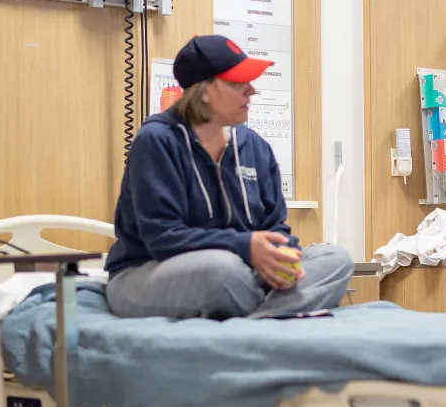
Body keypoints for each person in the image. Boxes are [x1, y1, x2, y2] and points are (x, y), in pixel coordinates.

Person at [104, 34, 353, 320]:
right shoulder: (157, 141)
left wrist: (284, 257)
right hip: (149, 270)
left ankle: (261, 317)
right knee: (222, 271)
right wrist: (245, 247)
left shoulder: (255, 147)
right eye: (238, 83)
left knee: (336, 260)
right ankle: (278, 311)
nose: (252, 91)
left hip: (243, 272)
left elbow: (274, 226)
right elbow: (162, 238)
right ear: (204, 90)